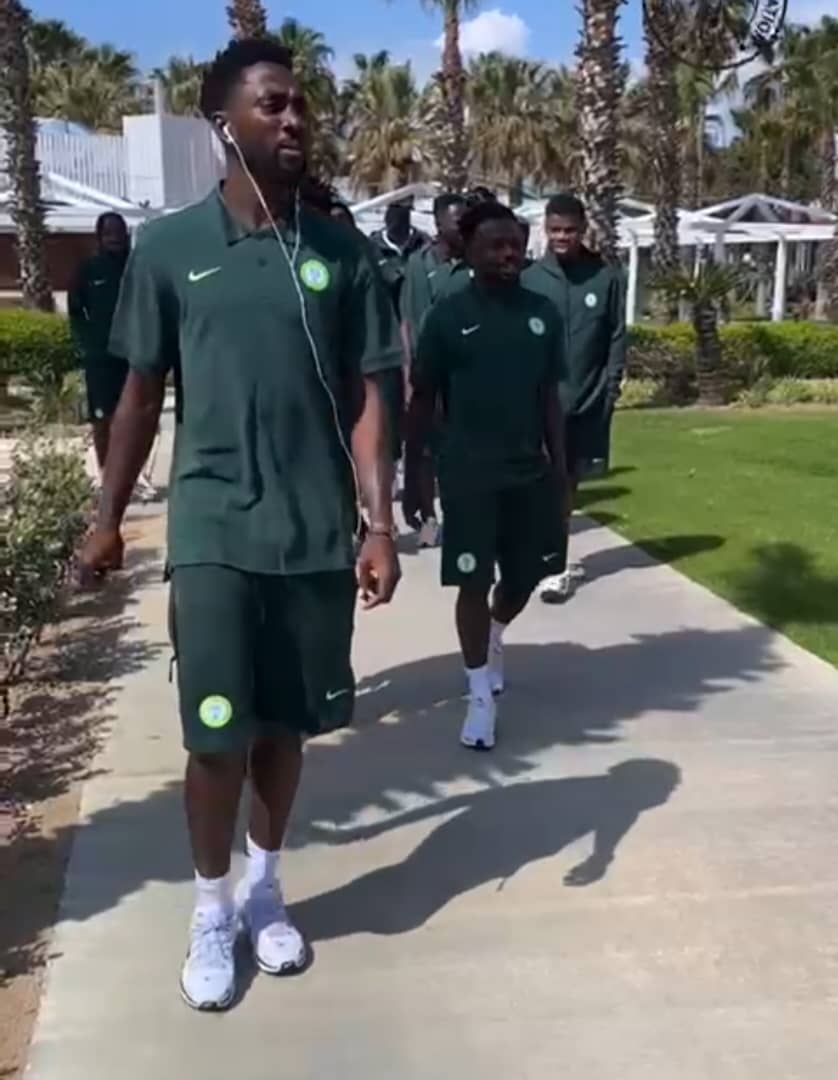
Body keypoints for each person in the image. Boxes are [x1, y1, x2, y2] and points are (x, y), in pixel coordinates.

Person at [78, 38, 401, 1013]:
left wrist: (378, 524)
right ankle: (211, 910)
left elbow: (370, 395)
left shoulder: (342, 255)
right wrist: (107, 518)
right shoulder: (169, 250)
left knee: (285, 731)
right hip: (212, 526)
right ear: (225, 123)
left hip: (313, 534)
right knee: (217, 734)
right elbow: (139, 396)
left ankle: (265, 889)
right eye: (273, 104)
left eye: (300, 103)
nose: (294, 118)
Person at [411, 201, 567, 751]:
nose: (509, 254)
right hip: (468, 475)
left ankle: (496, 632)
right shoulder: (447, 317)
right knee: (472, 582)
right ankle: (479, 694)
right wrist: (417, 476)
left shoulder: (543, 314)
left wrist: (561, 475)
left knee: (524, 578)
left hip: (528, 474)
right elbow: (423, 399)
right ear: (470, 250)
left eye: (515, 244)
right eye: (496, 245)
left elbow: (550, 400)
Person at [523, 193, 626, 604]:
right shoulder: (530, 279)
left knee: (566, 484)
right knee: (540, 484)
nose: (562, 237)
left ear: (583, 230)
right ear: (545, 230)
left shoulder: (605, 278)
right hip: (536, 403)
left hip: (586, 401)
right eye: (555, 230)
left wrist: (611, 387)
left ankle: (555, 566)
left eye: (569, 230)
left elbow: (616, 336)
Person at [401, 192, 470, 547]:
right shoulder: (419, 264)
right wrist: (409, 379)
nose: (462, 227)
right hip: (429, 375)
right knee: (426, 452)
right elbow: (410, 323)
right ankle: (429, 518)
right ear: (438, 222)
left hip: (469, 378)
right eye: (456, 221)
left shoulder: (476, 263)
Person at [369, 200, 428, 316]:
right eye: (394, 224)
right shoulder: (371, 249)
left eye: (402, 224)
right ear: (386, 221)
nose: (398, 228)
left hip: (419, 314)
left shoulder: (424, 245)